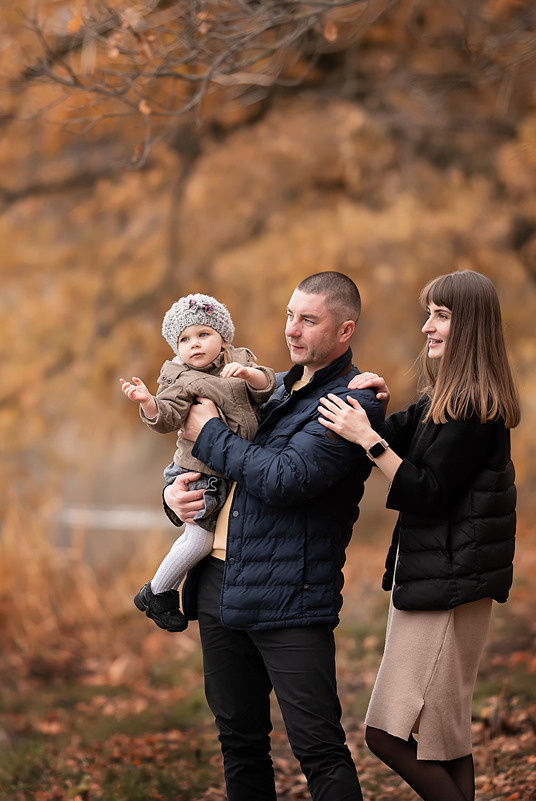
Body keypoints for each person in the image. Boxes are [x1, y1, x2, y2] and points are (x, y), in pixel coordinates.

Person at [165, 271, 382, 801]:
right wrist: (174, 501)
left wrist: (208, 432)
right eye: (290, 315)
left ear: (345, 330)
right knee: (239, 744)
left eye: (309, 320)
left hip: (291, 595)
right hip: (219, 585)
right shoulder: (274, 389)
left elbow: (284, 479)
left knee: (319, 749)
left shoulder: (353, 404)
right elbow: (213, 471)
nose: (292, 330)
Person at [315, 269, 521, 801]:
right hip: (440, 580)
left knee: (385, 735)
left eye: (441, 316)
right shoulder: (444, 400)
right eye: (429, 313)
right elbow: (398, 431)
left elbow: (427, 490)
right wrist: (376, 408)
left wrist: (369, 441)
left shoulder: (474, 408)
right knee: (444, 740)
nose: (427, 326)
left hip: (446, 590)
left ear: (468, 326)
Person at [120, 293, 277, 632]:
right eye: (184, 339)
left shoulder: (241, 359)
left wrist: (250, 375)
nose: (194, 345)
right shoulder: (179, 379)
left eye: (203, 334)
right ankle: (157, 592)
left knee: (214, 536)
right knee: (199, 540)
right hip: (197, 471)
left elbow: (268, 388)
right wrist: (148, 402)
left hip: (231, 464)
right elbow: (166, 418)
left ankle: (161, 591)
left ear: (222, 337)